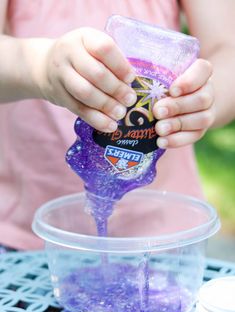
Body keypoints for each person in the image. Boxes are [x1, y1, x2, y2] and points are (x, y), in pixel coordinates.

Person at [0, 0, 235, 250]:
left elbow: (227, 49)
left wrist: (205, 101)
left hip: (161, 233)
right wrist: (41, 68)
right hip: (27, 232)